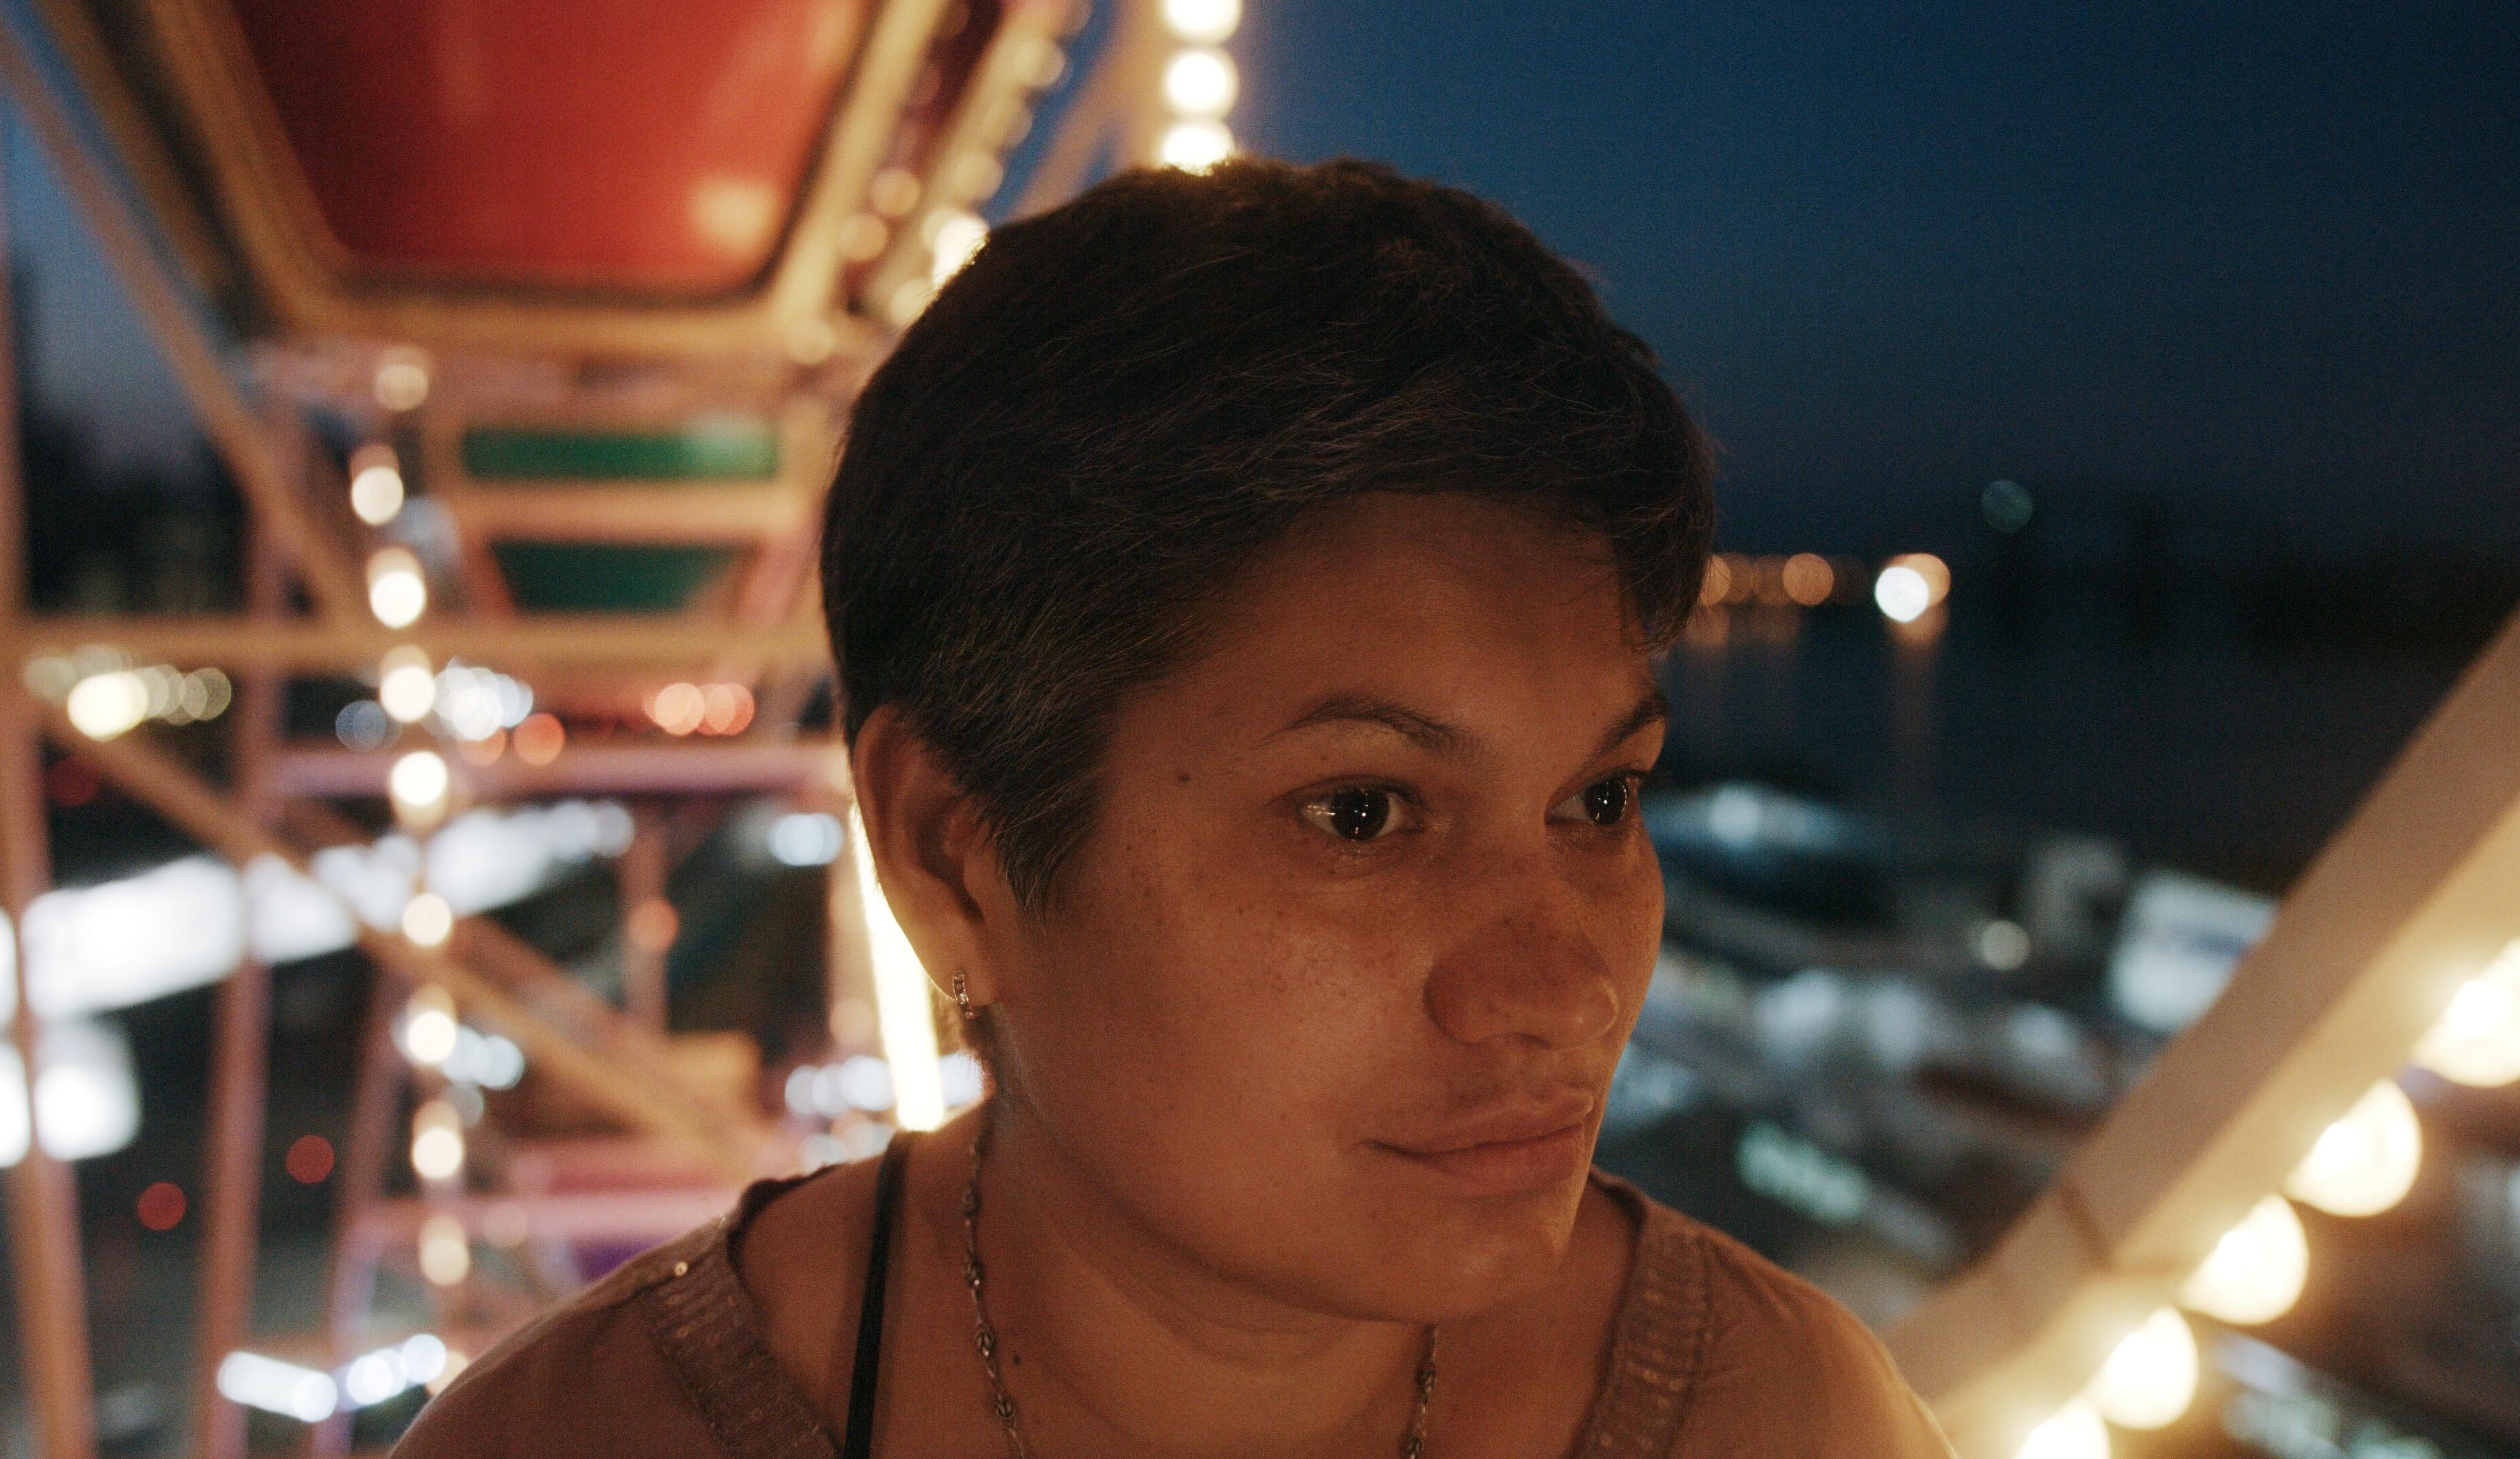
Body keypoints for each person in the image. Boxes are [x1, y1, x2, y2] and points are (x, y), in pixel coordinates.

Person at [397, 157, 1954, 1458]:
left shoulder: (1781, 1417)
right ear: (958, 857)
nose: (1573, 988)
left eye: (1599, 799)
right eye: (1362, 814)